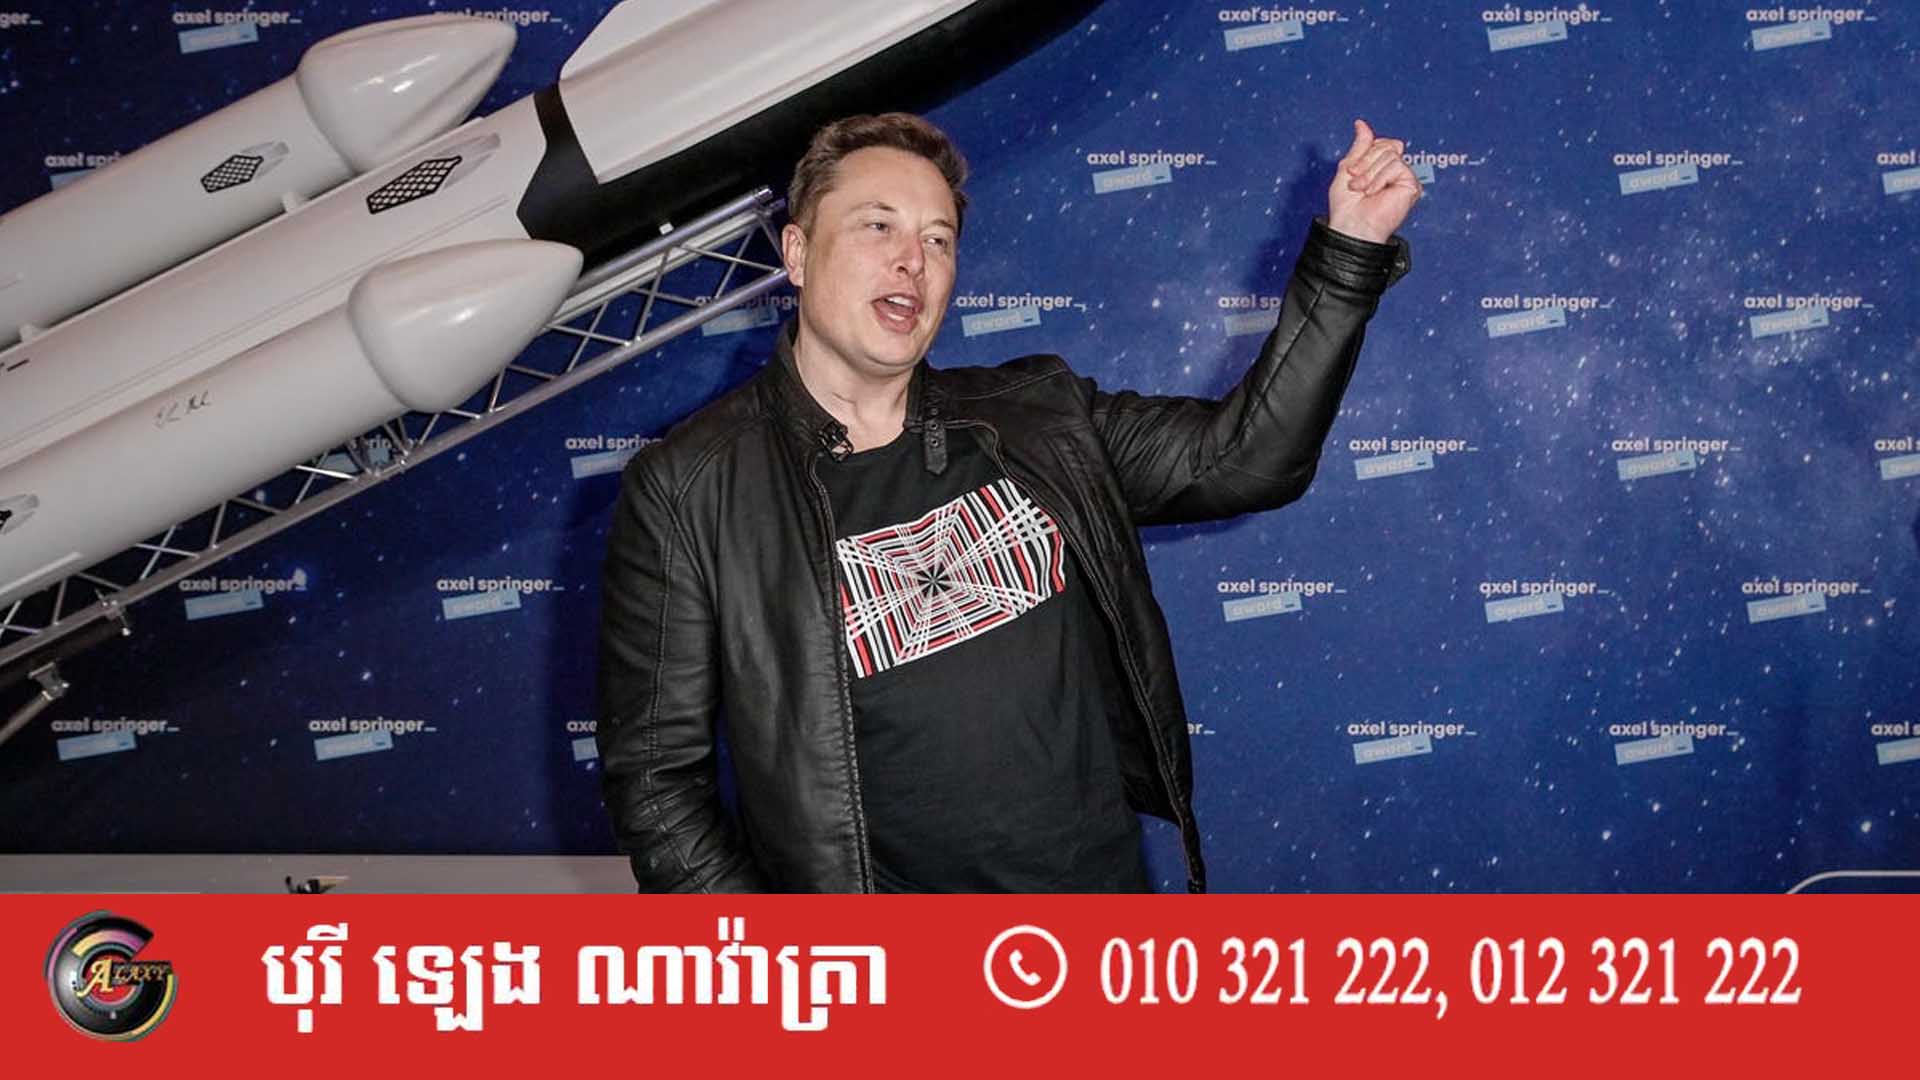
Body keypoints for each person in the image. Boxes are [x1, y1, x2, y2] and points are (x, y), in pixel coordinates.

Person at [596, 112, 1418, 893]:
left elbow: (1250, 460)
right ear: (799, 253)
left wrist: (1349, 250)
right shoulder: (691, 487)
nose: (912, 260)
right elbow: (659, 790)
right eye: (878, 226)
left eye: (938, 239)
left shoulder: (1040, 419)